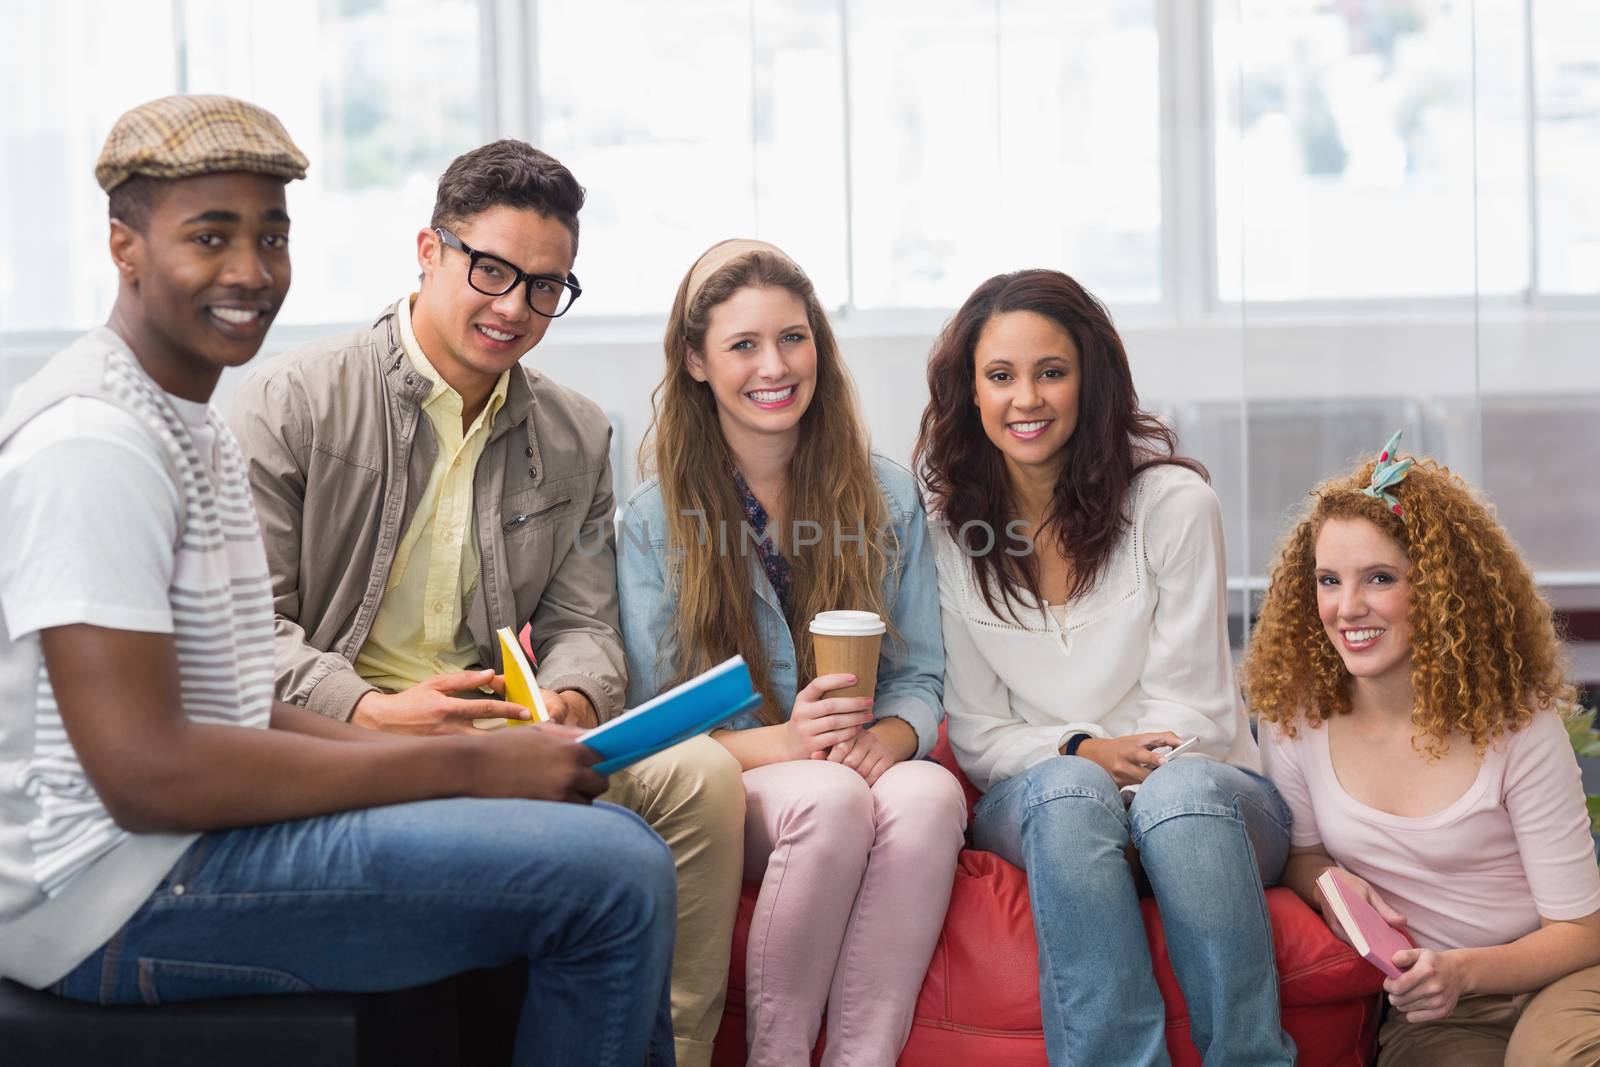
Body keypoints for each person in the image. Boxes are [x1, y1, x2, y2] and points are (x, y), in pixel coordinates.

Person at [0, 94, 675, 1066]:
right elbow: (147, 773)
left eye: (270, 237)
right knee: (615, 876)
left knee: (609, 851)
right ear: (125, 246)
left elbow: (232, 703)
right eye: (210, 236)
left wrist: (469, 768)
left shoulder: (180, 421)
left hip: (177, 846)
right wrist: (465, 766)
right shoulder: (94, 442)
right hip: (109, 895)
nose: (249, 270)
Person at [228, 139, 742, 1067]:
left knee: (704, 777)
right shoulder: (290, 401)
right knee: (604, 857)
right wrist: (373, 709)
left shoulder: (577, 431)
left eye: (547, 286)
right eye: (492, 269)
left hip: (506, 725)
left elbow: (587, 622)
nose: (516, 307)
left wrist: (577, 701)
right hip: (351, 733)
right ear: (429, 250)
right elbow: (244, 636)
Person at [916, 268, 1296, 1066]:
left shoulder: (1173, 505)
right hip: (1053, 802)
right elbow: (981, 733)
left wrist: (1122, 785)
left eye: (1051, 372)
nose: (1027, 397)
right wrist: (1082, 753)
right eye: (1001, 376)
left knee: (1181, 793)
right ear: (971, 393)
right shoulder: (949, 532)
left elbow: (1194, 714)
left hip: (1207, 799)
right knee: (1068, 790)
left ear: (1091, 380)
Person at [617, 239, 967, 1066]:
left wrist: (887, 739)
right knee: (828, 797)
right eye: (743, 344)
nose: (774, 365)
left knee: (929, 799)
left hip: (852, 756)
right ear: (697, 363)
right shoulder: (654, 518)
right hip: (738, 772)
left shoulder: (882, 492)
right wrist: (786, 744)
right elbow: (652, 720)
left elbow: (920, 672)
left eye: (793, 337)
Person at [1242, 433, 1600, 1066]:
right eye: (1329, 580)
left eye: (1379, 578)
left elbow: (1581, 933)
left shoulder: (1517, 727)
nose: (1347, 607)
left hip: (1562, 979)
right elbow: (1304, 856)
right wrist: (1329, 883)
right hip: (1437, 1009)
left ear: (1439, 592)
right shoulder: (1296, 717)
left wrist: (1462, 970)